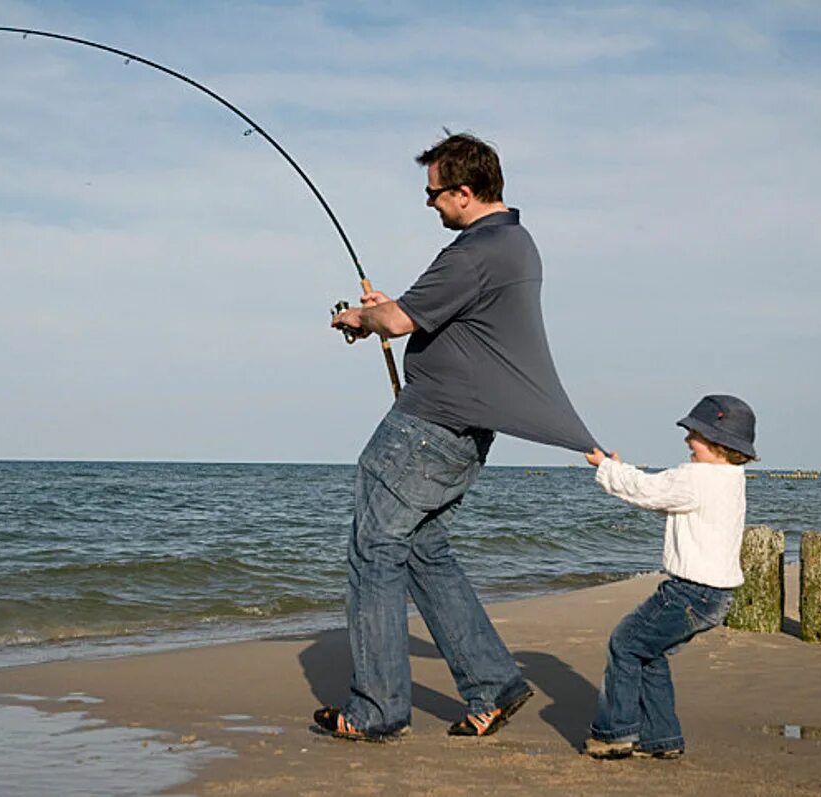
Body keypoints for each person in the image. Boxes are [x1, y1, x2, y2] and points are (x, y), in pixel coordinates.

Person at [315, 132, 601, 742]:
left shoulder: (473, 252)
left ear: (465, 192)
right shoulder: (514, 244)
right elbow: (439, 315)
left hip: (428, 426)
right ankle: (493, 682)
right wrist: (392, 312)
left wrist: (361, 318)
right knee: (421, 550)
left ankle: (375, 710)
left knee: (374, 551)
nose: (430, 205)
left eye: (434, 194)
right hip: (464, 430)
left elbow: (396, 320)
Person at [582, 394, 757, 759]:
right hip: (715, 597)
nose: (686, 441)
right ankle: (662, 738)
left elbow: (648, 491)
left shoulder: (697, 477)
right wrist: (619, 470)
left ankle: (615, 734)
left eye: (693, 433)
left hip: (690, 593)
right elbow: (667, 498)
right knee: (649, 653)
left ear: (716, 442)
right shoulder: (731, 479)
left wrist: (606, 468)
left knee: (625, 643)